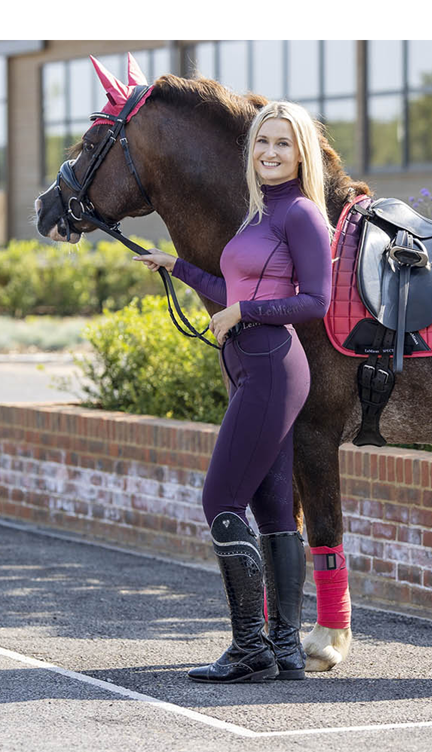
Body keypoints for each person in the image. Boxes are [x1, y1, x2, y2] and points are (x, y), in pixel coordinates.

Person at [134, 101, 332, 683]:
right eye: (262, 141)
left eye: (282, 143)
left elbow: (314, 301)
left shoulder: (300, 214)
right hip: (254, 363)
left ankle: (250, 649)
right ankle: (284, 652)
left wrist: (245, 310)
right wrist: (179, 267)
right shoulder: (258, 213)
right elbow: (233, 284)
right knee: (273, 511)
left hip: (272, 364)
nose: (269, 152)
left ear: (302, 154)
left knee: (219, 501)